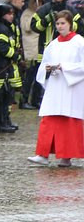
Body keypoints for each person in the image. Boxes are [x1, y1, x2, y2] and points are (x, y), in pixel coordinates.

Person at [29, 11, 84, 166]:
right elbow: (44, 63)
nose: (60, 27)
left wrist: (65, 67)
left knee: (68, 122)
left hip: (71, 87)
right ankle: (42, 154)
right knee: (49, 120)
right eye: (58, 24)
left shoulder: (80, 42)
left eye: (63, 23)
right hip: (55, 86)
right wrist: (47, 69)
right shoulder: (53, 44)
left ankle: (66, 157)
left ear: (70, 24)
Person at [0, 5, 22, 133]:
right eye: (8, 14)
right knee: (0, 97)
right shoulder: (0, 28)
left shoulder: (7, 27)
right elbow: (1, 48)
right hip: (0, 67)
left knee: (7, 96)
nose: (11, 16)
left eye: (12, 14)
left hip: (6, 67)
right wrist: (15, 55)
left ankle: (4, 120)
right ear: (2, 15)